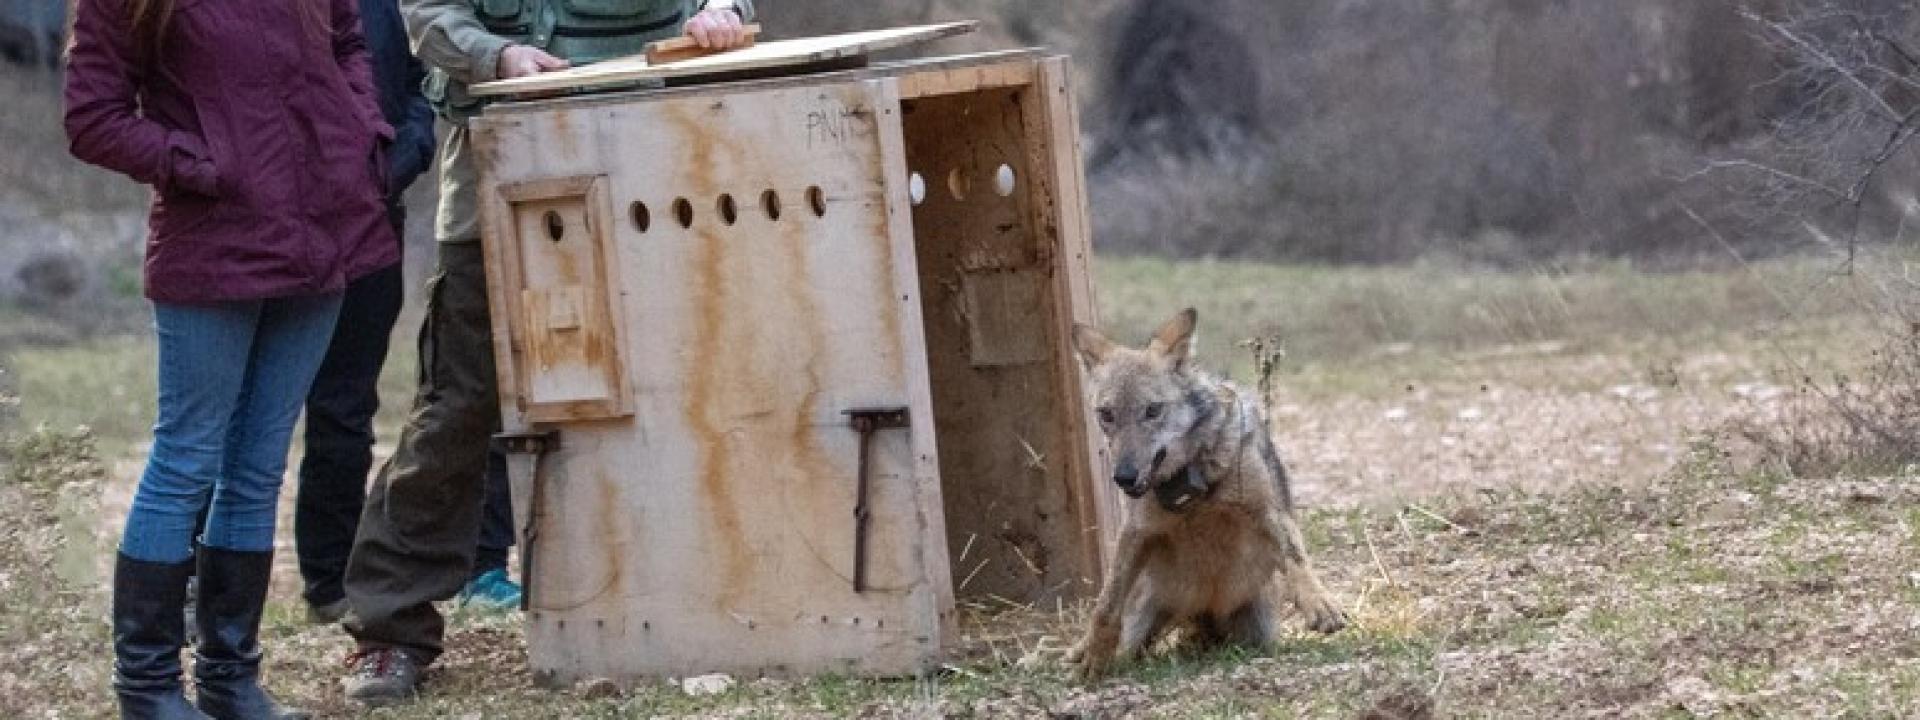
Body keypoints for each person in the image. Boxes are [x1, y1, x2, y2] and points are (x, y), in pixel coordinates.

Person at [339, 0, 756, 706]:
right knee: (458, 409)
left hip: (655, 171)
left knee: (681, 390)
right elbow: (429, 14)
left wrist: (723, 9)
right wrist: (495, 57)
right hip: (501, 175)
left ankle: (708, 601)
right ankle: (389, 628)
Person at [64, 0, 398, 717]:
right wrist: (196, 163)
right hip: (213, 240)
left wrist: (360, 131)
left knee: (258, 466)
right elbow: (92, 117)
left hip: (324, 230)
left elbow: (348, 39)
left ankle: (230, 681)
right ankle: (149, 690)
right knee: (186, 459)